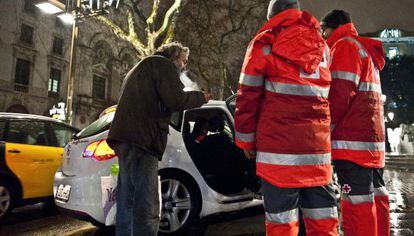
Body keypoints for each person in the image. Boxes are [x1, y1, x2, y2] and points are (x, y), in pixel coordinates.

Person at [234, 0, 338, 235]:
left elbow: (247, 98)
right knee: (324, 222)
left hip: (278, 155)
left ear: (272, 16)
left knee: (282, 224)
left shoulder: (263, 44)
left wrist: (246, 142)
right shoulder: (322, 46)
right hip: (317, 153)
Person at [107, 42, 211, 236]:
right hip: (143, 140)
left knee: (127, 201)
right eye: (183, 61)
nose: (184, 66)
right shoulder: (163, 65)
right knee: (147, 203)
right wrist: (201, 98)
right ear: (174, 57)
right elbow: (176, 100)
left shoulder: (140, 67)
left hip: (125, 138)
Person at [321, 10, 389, 236]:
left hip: (352, 146)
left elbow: (339, 96)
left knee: (356, 204)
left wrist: (323, 132)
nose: (322, 36)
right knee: (376, 197)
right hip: (371, 144)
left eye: (324, 30)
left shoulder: (344, 46)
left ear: (333, 27)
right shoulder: (365, 50)